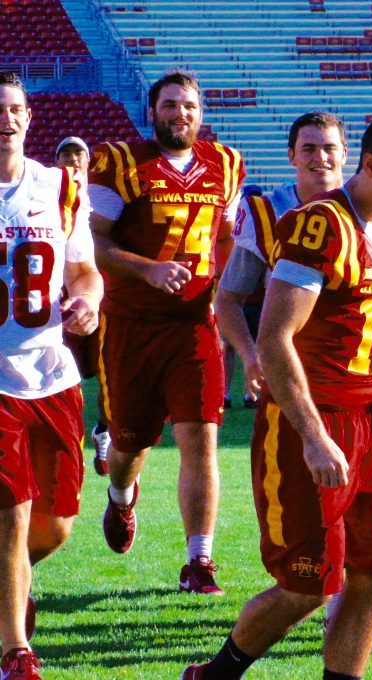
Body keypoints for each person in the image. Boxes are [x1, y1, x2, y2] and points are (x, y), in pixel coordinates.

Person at [182, 114, 372, 680]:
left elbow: (364, 324)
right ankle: (215, 674)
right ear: (370, 167)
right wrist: (314, 436)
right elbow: (273, 336)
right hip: (311, 422)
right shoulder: (320, 225)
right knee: (308, 585)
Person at [88, 71, 245, 592]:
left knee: (201, 437)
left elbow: (223, 237)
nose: (182, 114)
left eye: (190, 106)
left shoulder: (224, 163)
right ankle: (120, 494)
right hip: (132, 324)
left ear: (201, 113)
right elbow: (97, 245)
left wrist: (223, 288)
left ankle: (199, 561)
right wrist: (149, 269)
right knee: (131, 442)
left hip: (194, 325)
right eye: (171, 105)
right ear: (152, 111)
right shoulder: (120, 163)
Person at [0, 72, 102, 680]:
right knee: (11, 511)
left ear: (29, 118)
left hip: (52, 372)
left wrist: (89, 301)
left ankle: (9, 588)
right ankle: (15, 651)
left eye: (14, 109)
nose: (4, 119)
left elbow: (85, 270)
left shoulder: (59, 186)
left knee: (56, 524)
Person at [215, 111, 347, 411]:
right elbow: (227, 299)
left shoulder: (369, 208)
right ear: (292, 157)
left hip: (357, 367)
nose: (321, 157)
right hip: (289, 368)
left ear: (344, 153)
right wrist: (251, 355)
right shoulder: (267, 213)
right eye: (309, 149)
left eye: (329, 148)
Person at [53, 136, 112, 474]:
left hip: (98, 294)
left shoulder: (103, 199)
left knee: (109, 374)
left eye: (79, 154)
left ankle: (105, 431)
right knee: (64, 376)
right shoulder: (46, 194)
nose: (73, 159)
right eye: (66, 154)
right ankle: (66, 443)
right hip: (57, 297)